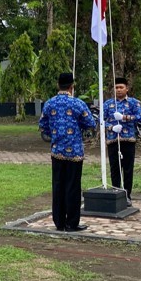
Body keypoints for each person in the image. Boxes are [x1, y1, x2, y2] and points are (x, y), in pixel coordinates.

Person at [38, 73, 96, 232]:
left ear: (58, 85)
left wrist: (55, 134)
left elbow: (42, 125)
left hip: (57, 150)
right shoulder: (78, 103)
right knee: (73, 186)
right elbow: (91, 123)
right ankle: (72, 223)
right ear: (72, 86)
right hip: (75, 152)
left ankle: (59, 222)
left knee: (58, 185)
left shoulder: (49, 104)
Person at [103, 77, 141, 205]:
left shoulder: (133, 103)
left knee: (127, 169)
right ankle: (116, 192)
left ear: (127, 88)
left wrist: (125, 117)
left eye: (121, 87)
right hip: (113, 140)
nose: (119, 90)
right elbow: (100, 121)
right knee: (115, 168)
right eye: (116, 87)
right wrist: (111, 127)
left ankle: (127, 195)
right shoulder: (108, 104)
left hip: (128, 140)